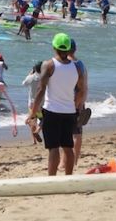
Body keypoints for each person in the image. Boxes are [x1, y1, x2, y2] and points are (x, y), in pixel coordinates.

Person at [26, 33, 84, 176]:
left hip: (52, 111)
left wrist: (33, 112)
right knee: (68, 147)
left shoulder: (49, 64)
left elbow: (40, 90)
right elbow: (81, 90)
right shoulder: (77, 68)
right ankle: (68, 178)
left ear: (54, 47)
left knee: (53, 148)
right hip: (69, 112)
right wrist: (75, 107)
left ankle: (51, 178)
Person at [65, 39, 89, 169]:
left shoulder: (70, 65)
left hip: (71, 103)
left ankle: (67, 162)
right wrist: (82, 102)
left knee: (68, 134)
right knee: (77, 133)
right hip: (80, 102)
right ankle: (74, 161)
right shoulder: (81, 64)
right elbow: (85, 85)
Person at [22, 63, 43, 144]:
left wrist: (29, 74)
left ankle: (34, 141)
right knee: (43, 119)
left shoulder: (31, 77)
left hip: (32, 103)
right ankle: (38, 130)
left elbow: (24, 83)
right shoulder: (45, 78)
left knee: (32, 120)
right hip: (42, 103)